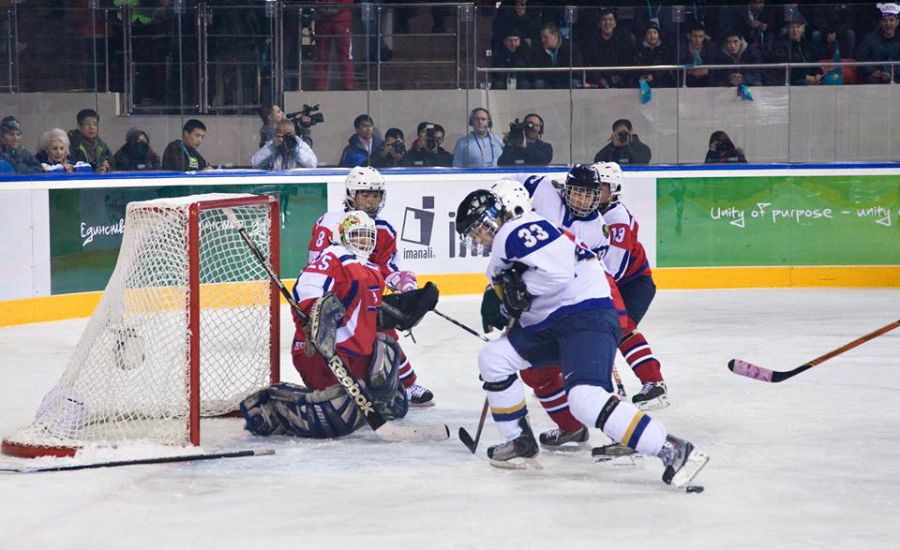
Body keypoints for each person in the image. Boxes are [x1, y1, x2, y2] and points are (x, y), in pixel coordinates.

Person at [454, 179, 708, 487]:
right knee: (494, 358)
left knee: (585, 398)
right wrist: (506, 306)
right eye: (475, 233)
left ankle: (672, 449)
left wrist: (517, 293)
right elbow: (523, 296)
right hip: (552, 323)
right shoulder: (501, 252)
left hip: (583, 314)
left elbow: (558, 273)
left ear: (501, 212)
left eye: (484, 225)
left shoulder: (516, 229)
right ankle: (520, 443)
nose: (482, 235)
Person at [240, 210, 437, 439]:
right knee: (338, 414)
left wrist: (401, 311)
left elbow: (367, 315)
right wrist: (315, 315)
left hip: (356, 355)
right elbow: (307, 288)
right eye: (357, 235)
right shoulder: (334, 256)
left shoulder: (373, 271)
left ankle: (364, 389)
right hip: (322, 354)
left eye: (367, 236)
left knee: (388, 369)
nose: (363, 241)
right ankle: (273, 405)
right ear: (343, 236)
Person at [306, 167, 437, 406]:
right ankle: (400, 383)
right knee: (372, 329)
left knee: (382, 326)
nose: (371, 201)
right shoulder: (330, 223)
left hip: (363, 296)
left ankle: (402, 384)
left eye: (376, 196)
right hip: (334, 298)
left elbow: (388, 268)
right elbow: (315, 264)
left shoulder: (384, 229)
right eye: (365, 195)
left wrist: (404, 283)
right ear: (351, 194)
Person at [582, 9, 635, 89]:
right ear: (599, 24)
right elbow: (587, 63)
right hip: (596, 83)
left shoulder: (624, 39)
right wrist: (599, 79)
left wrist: (620, 77)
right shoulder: (591, 40)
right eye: (604, 20)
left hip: (621, 84)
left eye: (610, 19)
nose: (607, 23)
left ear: (615, 23)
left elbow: (629, 61)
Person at [312, 0, 354, 91]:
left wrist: (334, 8)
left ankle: (348, 87)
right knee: (321, 54)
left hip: (341, 19)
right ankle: (319, 88)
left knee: (345, 54)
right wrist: (322, 7)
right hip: (324, 19)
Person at [772, 12, 823, 86]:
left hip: (810, 79)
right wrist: (806, 77)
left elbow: (815, 63)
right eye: (792, 27)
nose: (795, 30)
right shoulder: (780, 45)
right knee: (806, 84)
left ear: (803, 29)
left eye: (798, 27)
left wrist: (818, 75)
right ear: (788, 29)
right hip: (792, 80)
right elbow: (784, 70)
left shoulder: (808, 45)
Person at [855, 3, 900, 84]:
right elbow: (860, 60)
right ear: (880, 22)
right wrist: (873, 72)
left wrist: (893, 73)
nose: (888, 24)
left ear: (897, 22)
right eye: (884, 20)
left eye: (891, 20)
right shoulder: (869, 39)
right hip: (875, 78)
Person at [531, 22, 583, 89]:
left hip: (566, 81)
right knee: (539, 83)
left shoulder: (570, 47)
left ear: (555, 36)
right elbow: (537, 70)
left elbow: (577, 70)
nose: (542, 40)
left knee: (574, 83)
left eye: (546, 37)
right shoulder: (539, 49)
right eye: (542, 37)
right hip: (549, 81)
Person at [251, 119, 317, 170]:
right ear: (276, 134)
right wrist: (272, 148)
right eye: (283, 135)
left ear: (294, 133)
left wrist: (296, 151)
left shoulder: (300, 145)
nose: (286, 138)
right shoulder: (272, 144)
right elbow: (255, 164)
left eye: (289, 135)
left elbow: (313, 164)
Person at [631, 19, 675, 88]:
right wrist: (645, 75)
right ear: (645, 35)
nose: (652, 36)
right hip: (642, 83)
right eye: (649, 33)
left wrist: (654, 76)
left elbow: (666, 67)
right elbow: (636, 65)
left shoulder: (665, 49)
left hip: (662, 84)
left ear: (658, 35)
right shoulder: (639, 49)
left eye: (655, 33)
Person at [68, 109, 111, 173]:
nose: (92, 128)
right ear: (79, 126)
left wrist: (106, 168)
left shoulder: (102, 146)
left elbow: (113, 167)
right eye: (88, 124)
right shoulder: (71, 144)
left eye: (95, 124)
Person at [678, 22, 718, 88]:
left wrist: (708, 71)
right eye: (694, 36)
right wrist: (689, 70)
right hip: (686, 80)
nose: (697, 40)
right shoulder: (681, 47)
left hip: (706, 81)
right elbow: (678, 64)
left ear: (704, 37)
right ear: (689, 36)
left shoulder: (711, 47)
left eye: (700, 37)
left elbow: (714, 64)